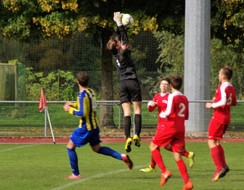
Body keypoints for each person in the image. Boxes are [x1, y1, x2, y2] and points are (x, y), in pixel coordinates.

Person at [63, 71, 133, 179]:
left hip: (85, 127)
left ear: (77, 82)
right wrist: (74, 104)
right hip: (94, 126)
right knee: (97, 148)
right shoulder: (91, 92)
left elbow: (82, 113)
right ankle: (122, 156)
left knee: (70, 147)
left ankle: (75, 174)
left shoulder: (81, 95)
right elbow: (88, 105)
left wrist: (70, 109)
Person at [140, 77, 195, 173]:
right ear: (159, 85)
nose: (163, 86)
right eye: (162, 84)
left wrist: (165, 114)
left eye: (166, 84)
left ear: (169, 86)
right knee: (162, 146)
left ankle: (155, 167)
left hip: (167, 125)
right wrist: (150, 104)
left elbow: (170, 111)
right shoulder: (157, 96)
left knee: (155, 145)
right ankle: (186, 154)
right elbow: (150, 109)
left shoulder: (170, 97)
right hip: (161, 124)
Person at [149, 76, 193, 190]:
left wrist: (161, 112)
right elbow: (186, 116)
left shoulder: (172, 97)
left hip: (170, 127)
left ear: (171, 86)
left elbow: (167, 112)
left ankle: (164, 171)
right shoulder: (184, 98)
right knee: (177, 155)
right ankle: (187, 182)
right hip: (181, 128)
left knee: (153, 146)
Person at [106, 12, 142, 152]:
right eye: (119, 42)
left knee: (127, 112)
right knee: (137, 109)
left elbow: (117, 38)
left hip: (122, 83)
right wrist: (120, 24)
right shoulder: (123, 52)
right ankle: (137, 134)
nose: (121, 41)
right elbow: (124, 39)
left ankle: (127, 137)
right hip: (132, 81)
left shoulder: (114, 54)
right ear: (118, 46)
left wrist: (117, 22)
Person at [205, 66, 237, 182]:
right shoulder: (231, 87)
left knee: (211, 141)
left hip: (219, 118)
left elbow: (224, 101)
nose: (218, 76)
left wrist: (212, 105)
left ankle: (219, 167)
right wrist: (217, 99)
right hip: (226, 117)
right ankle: (224, 165)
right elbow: (233, 102)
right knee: (216, 142)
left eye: (219, 74)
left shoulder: (223, 86)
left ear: (223, 77)